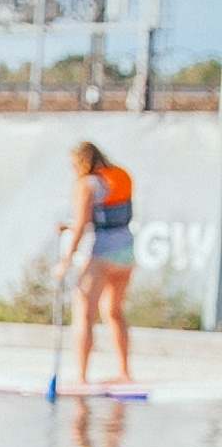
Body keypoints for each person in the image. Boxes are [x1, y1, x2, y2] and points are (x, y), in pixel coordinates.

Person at [59, 138, 136, 391]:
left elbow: (83, 225)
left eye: (74, 163)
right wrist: (69, 227)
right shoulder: (119, 176)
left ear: (83, 161)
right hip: (126, 253)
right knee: (114, 312)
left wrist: (66, 261)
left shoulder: (88, 185)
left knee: (84, 315)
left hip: (100, 255)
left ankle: (81, 377)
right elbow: (109, 218)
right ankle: (124, 373)